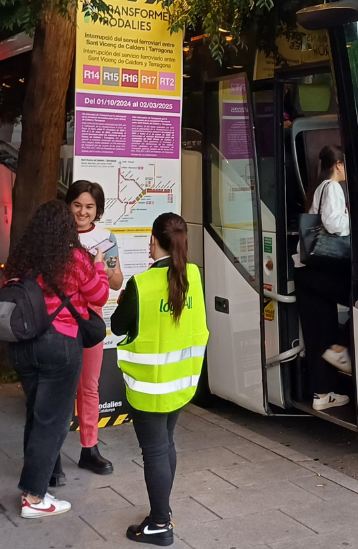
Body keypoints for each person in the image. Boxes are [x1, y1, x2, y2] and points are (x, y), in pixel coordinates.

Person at [5, 200, 109, 520]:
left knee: (36, 415)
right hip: (60, 345)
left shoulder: (20, 260)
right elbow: (99, 295)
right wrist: (100, 265)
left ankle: (38, 483)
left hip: (22, 344)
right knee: (53, 420)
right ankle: (34, 498)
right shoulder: (75, 258)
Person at [112, 213, 208, 546]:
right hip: (181, 382)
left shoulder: (142, 285)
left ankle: (159, 524)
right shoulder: (193, 275)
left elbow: (119, 326)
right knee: (166, 444)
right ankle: (162, 513)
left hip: (150, 386)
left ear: (152, 241)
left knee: (154, 451)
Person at [65, 180, 123, 476]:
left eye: (89, 207)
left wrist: (105, 267)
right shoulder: (58, 234)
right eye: (77, 205)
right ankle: (51, 453)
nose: (82, 212)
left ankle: (89, 448)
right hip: (59, 318)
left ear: (97, 210)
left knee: (89, 386)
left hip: (91, 321)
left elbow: (116, 283)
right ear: (69, 205)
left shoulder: (106, 237)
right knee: (60, 385)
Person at [293, 145, 352, 411]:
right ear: (338, 164)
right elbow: (334, 224)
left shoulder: (318, 188)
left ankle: (322, 393)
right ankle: (343, 349)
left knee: (319, 331)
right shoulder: (333, 187)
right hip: (323, 268)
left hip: (307, 269)